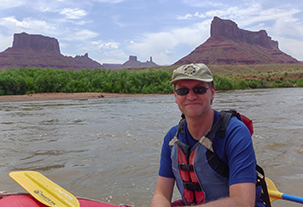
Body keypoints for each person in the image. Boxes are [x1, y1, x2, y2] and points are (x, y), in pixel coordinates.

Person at [150, 63, 265, 207]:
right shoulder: (172, 137)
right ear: (175, 96)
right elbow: (161, 194)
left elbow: (243, 202)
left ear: (212, 93)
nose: (191, 96)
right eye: (182, 91)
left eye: (199, 89)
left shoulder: (235, 132)